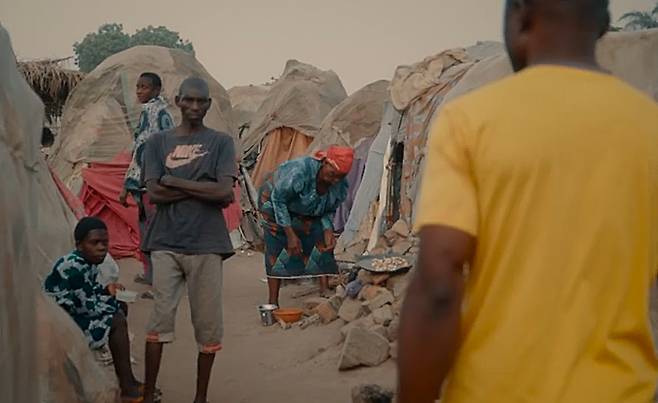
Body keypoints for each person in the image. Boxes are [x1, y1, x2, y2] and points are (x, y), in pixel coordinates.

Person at [398, 1, 658, 402]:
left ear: (519, 15)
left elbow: (438, 285)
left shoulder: (469, 121)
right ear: (605, 22)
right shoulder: (648, 126)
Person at [141, 77, 236, 403]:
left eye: (202, 102)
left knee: (207, 328)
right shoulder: (157, 143)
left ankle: (200, 398)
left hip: (207, 244)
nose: (195, 107)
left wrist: (173, 181)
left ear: (208, 104)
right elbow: (154, 192)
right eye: (189, 101)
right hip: (166, 241)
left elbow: (225, 191)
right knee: (159, 322)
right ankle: (149, 393)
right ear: (178, 101)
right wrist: (203, 187)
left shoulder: (221, 142)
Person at [44, 217, 143, 402]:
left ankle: (127, 379)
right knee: (117, 319)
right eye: (95, 243)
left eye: (105, 243)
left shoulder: (87, 262)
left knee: (119, 306)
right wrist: (110, 302)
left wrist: (107, 290)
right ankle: (127, 387)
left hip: (73, 312)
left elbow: (90, 291)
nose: (101, 247)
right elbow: (87, 307)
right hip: (62, 321)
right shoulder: (73, 267)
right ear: (79, 245)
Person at [258, 145, 353, 306]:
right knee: (277, 245)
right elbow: (279, 200)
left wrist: (328, 229)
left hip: (307, 208)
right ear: (324, 162)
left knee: (320, 237)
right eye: (332, 174)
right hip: (274, 203)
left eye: (340, 177)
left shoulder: (341, 186)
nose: (335, 180)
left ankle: (324, 291)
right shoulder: (300, 171)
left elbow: (329, 209)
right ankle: (273, 302)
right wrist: (290, 234)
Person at [119, 72, 175, 287]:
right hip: (150, 184)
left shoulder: (155, 114)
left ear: (156, 90)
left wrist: (128, 186)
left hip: (152, 184)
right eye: (138, 87)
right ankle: (152, 276)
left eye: (144, 87)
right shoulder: (157, 113)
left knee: (154, 233)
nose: (139, 91)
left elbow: (143, 152)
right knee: (149, 232)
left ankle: (160, 281)